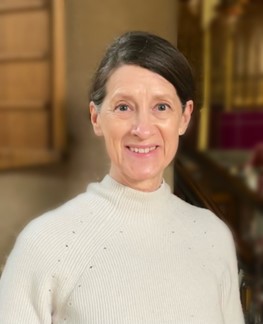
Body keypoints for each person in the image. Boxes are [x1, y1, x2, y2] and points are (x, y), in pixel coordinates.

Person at [0, 31, 244, 323]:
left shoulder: (213, 236)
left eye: (161, 107)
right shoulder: (45, 243)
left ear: (184, 117)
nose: (142, 128)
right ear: (96, 118)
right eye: (124, 107)